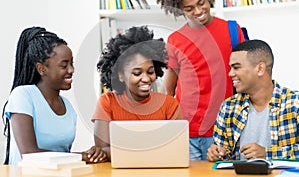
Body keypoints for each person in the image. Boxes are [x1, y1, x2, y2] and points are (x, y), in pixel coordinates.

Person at [156, 0, 245, 160]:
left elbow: (245, 76)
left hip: (223, 130)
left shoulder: (232, 31)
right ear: (180, 9)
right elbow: (169, 89)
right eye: (189, 9)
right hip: (185, 129)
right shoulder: (176, 40)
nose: (198, 11)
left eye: (201, 3)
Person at [82, 26, 182, 163]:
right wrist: (153, 151)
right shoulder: (107, 102)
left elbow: (177, 150)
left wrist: (119, 151)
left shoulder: (169, 104)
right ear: (121, 75)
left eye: (150, 72)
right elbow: (102, 151)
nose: (146, 79)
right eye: (137, 73)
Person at [207, 39, 299, 161]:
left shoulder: (295, 103)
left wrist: (267, 153)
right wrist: (217, 154)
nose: (230, 74)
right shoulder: (228, 106)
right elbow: (224, 154)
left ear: (260, 69)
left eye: (236, 67)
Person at [2, 27, 76, 165]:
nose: (71, 70)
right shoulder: (22, 96)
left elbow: (64, 155)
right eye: (64, 65)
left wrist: (92, 154)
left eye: (72, 63)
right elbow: (29, 153)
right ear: (42, 68)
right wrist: (80, 157)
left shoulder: (68, 106)